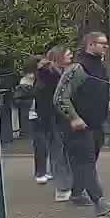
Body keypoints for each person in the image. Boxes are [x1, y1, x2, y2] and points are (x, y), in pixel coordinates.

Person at [53, 31, 110, 216]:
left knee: (88, 160)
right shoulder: (76, 69)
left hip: (97, 122)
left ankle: (76, 193)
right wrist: (74, 117)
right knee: (86, 162)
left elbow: (105, 84)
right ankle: (99, 201)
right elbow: (60, 97)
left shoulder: (101, 66)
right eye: (102, 43)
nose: (105, 47)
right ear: (90, 45)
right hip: (78, 126)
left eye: (106, 43)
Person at [32, 44, 74, 201]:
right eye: (68, 54)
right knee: (58, 153)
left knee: (68, 152)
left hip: (64, 119)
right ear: (58, 57)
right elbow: (46, 100)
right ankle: (62, 189)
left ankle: (71, 184)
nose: (71, 56)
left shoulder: (63, 73)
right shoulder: (47, 76)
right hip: (53, 120)